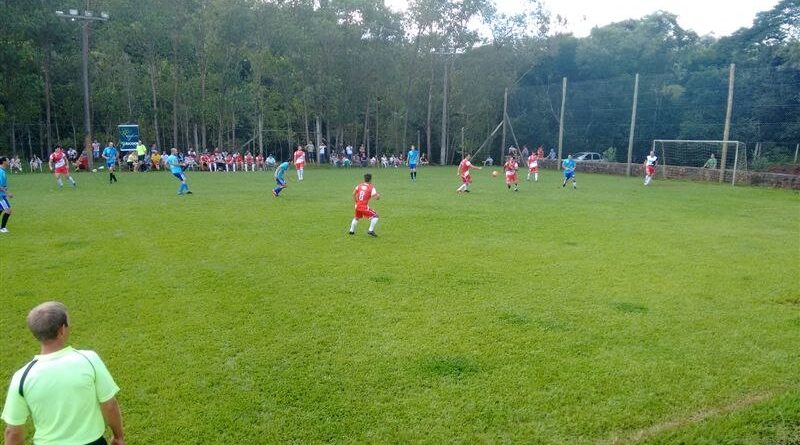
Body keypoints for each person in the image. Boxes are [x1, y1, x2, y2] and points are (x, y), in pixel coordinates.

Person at [1, 301, 125, 445]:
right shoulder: (88, 359)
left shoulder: (22, 377)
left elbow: (13, 432)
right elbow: (110, 404)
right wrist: (118, 437)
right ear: (62, 330)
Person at [349, 173, 380, 237]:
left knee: (357, 217)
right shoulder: (371, 187)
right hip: (364, 207)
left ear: (364, 179)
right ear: (370, 179)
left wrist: (356, 202)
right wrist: (378, 196)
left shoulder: (359, 185)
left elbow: (353, 193)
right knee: (376, 216)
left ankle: (351, 231)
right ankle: (370, 230)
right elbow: (376, 198)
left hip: (357, 205)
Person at [0, 157, 12, 233]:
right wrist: (7, 193)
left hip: (2, 194)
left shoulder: (3, 171)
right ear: (4, 162)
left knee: (1, 209)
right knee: (8, 210)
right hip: (0, 195)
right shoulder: (1, 172)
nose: (9, 161)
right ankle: (2, 228)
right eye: (8, 160)